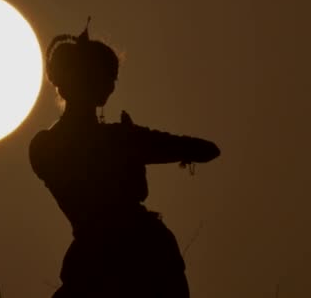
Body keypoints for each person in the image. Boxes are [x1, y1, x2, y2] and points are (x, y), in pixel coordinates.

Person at [29, 20, 220, 297]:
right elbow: (207, 150)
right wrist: (132, 140)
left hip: (91, 258)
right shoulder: (118, 139)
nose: (111, 86)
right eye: (108, 78)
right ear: (93, 83)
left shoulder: (43, 146)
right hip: (144, 257)